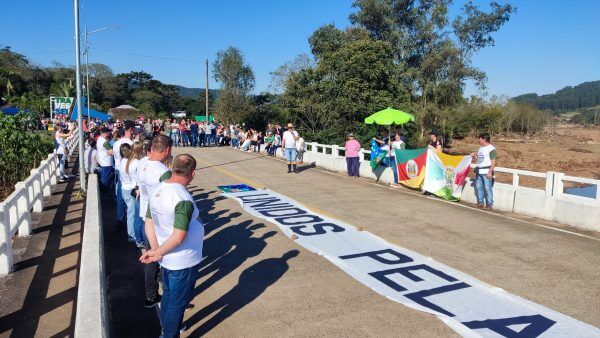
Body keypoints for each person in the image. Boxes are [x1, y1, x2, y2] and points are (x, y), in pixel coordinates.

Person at [140, 154, 203, 338]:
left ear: (173, 167)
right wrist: (157, 252)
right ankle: (169, 333)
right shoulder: (182, 198)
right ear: (193, 173)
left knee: (168, 295)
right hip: (182, 260)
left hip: (167, 257)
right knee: (177, 302)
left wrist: (155, 249)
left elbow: (149, 221)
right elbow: (178, 238)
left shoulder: (159, 188)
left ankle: (166, 328)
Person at [137, 135, 172, 308]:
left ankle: (151, 295)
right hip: (158, 221)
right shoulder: (163, 171)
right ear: (167, 150)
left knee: (151, 254)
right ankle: (163, 296)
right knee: (162, 257)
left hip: (145, 216)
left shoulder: (142, 162)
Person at [472, 133, 497, 210]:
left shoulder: (491, 149)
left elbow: (493, 161)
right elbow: (480, 160)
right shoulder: (481, 148)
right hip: (479, 171)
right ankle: (480, 203)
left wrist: (490, 172)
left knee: (487, 188)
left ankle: (489, 204)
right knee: (479, 187)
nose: (479, 140)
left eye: (480, 138)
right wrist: (474, 157)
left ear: (484, 139)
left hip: (486, 171)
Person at [97, 127, 115, 193]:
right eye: (109, 132)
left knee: (104, 178)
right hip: (107, 163)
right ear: (106, 133)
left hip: (102, 162)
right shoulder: (105, 142)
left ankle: (103, 191)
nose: (109, 133)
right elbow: (111, 152)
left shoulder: (99, 139)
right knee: (106, 179)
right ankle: (104, 192)